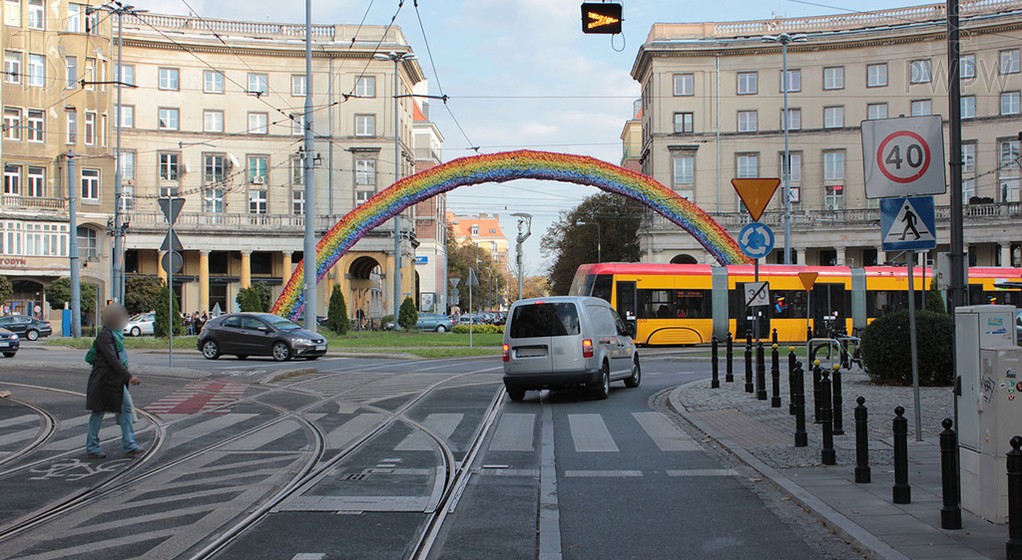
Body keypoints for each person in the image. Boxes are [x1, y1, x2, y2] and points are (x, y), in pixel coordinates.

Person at [85, 303, 143, 459]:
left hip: (115, 380)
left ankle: (130, 445)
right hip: (103, 379)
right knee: (98, 412)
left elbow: (117, 360)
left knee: (126, 408)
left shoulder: (116, 334)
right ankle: (92, 446)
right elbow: (112, 359)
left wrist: (125, 376)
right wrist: (129, 376)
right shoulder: (105, 335)